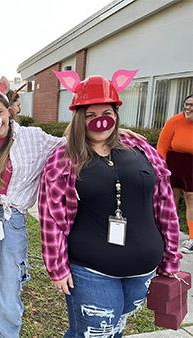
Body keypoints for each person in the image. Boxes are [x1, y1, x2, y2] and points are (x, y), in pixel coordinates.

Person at [39, 70, 181, 338]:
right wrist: (57, 267)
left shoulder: (138, 146)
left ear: (115, 114)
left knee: (115, 330)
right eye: (90, 115)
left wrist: (171, 256)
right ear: (79, 118)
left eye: (106, 112)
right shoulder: (64, 156)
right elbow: (51, 215)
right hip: (91, 270)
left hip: (143, 270)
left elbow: (164, 202)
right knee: (93, 334)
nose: (99, 121)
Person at [0, 84, 65, 337]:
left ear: (10, 111)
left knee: (8, 286)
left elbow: (70, 143)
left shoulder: (33, 138)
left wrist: (116, 132)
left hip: (13, 221)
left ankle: (6, 334)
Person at [157, 94, 193, 253]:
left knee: (191, 199)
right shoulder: (175, 121)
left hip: (191, 165)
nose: (189, 108)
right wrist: (161, 168)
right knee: (171, 200)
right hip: (173, 163)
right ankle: (167, 235)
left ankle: (192, 239)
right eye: (187, 104)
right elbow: (162, 147)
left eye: (192, 105)